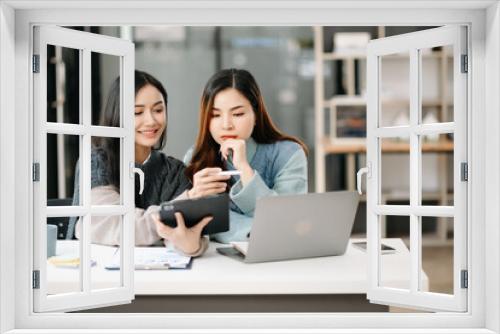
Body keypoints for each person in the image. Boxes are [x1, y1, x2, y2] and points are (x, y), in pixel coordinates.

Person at [68, 70, 211, 257]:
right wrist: (186, 200)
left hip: (159, 279)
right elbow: (119, 225)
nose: (151, 121)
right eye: (137, 112)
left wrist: (194, 246)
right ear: (118, 114)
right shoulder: (96, 161)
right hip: (97, 275)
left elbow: (191, 233)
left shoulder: (176, 172)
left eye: (158, 110)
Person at [184, 68, 308, 243]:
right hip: (217, 262)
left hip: (278, 258)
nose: (226, 125)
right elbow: (202, 221)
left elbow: (287, 219)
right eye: (215, 115)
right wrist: (253, 232)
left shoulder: (289, 154)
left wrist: (244, 168)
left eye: (238, 114)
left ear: (256, 114)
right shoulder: (196, 158)